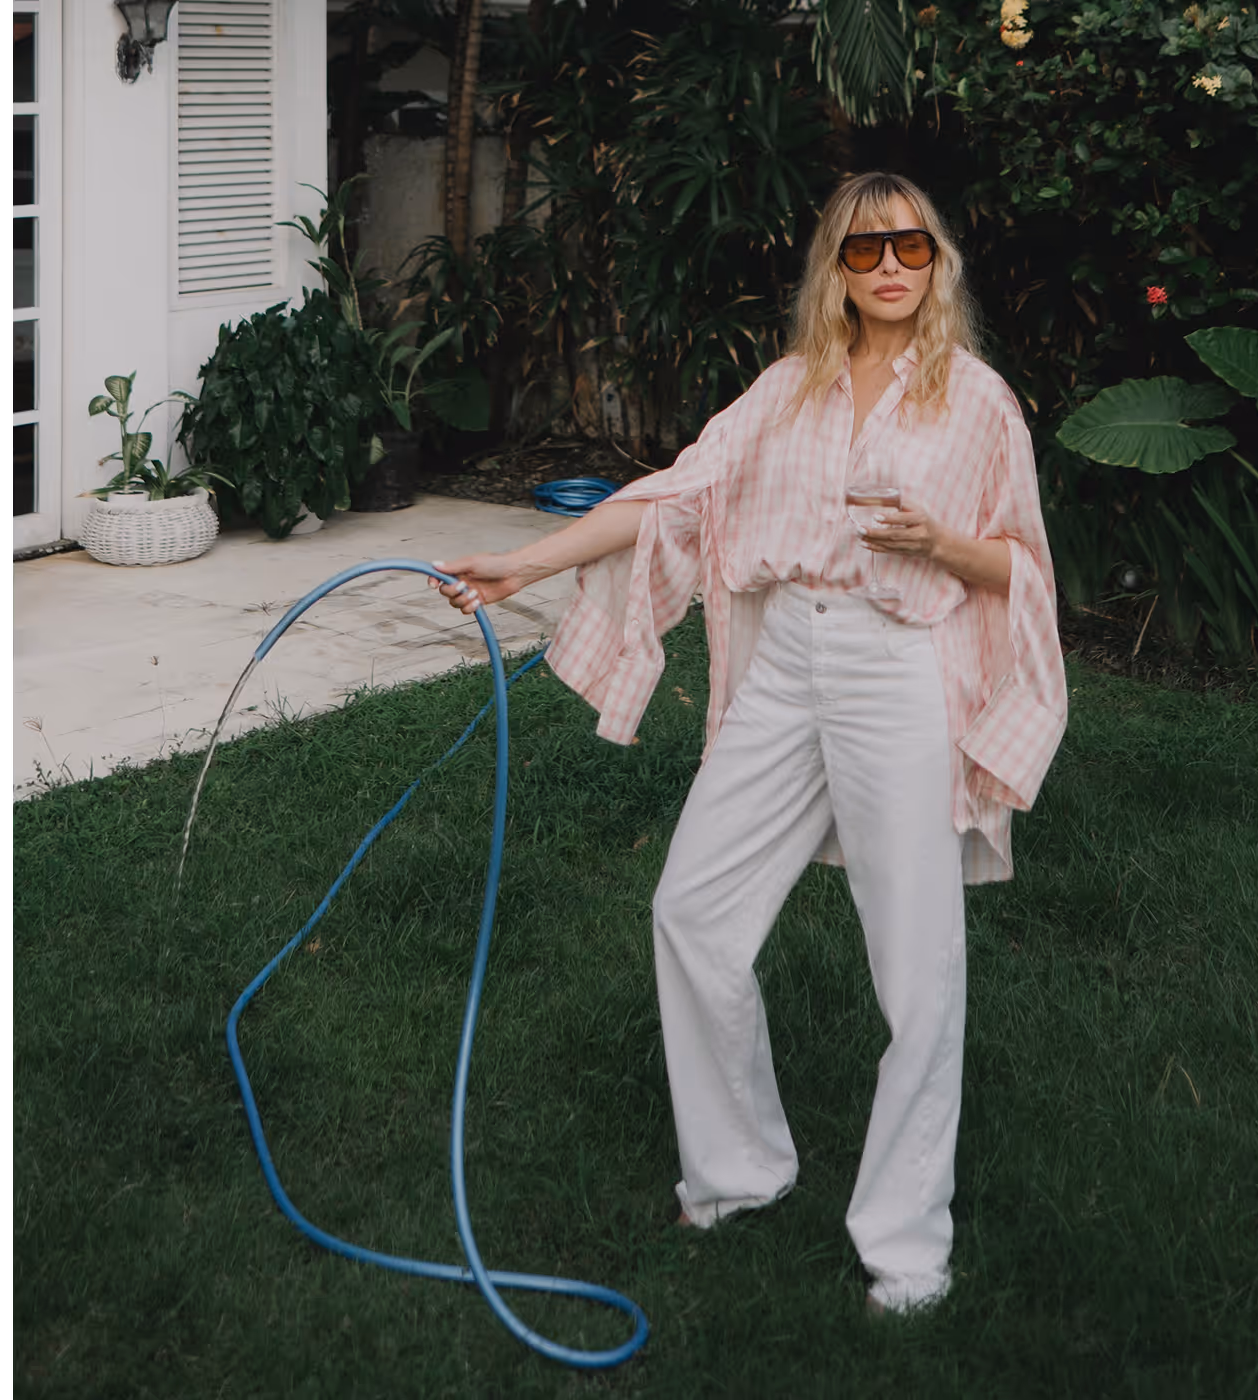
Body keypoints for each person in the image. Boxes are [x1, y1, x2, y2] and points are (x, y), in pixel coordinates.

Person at [430, 172, 1067, 1321]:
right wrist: (525, 564)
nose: (888, 266)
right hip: (788, 666)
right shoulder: (788, 390)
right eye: (864, 247)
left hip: (894, 664)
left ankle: (907, 1240)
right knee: (693, 907)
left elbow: (1022, 568)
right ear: (834, 263)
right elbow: (675, 498)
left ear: (937, 263)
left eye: (910, 247)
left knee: (916, 965)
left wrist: (940, 543)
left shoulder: (975, 401)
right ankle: (737, 1169)